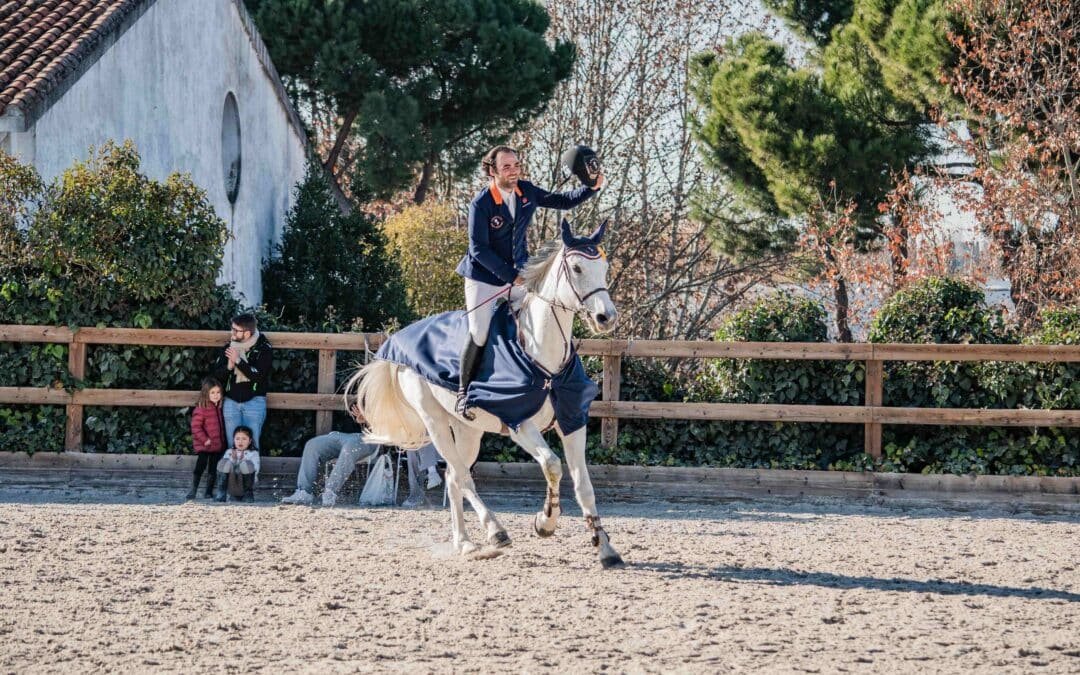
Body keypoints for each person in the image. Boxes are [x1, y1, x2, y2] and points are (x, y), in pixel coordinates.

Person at [453, 145, 604, 419]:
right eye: (507, 167)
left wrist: (591, 188)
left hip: (517, 273)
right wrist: (513, 276)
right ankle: (464, 393)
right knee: (479, 332)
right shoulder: (481, 204)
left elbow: (563, 201)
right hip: (483, 277)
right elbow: (478, 250)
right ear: (492, 171)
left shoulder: (527, 191)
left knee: (538, 316)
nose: (514, 171)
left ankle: (541, 382)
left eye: (516, 165)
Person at [280, 405, 442, 507]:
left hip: (370, 439)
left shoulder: (393, 397)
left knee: (349, 448)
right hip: (345, 434)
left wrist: (368, 419)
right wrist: (357, 414)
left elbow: (391, 427)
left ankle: (330, 491)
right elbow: (352, 405)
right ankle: (304, 492)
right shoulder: (367, 388)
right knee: (312, 445)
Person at [212, 313, 272, 449]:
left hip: (254, 401)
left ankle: (251, 470)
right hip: (231, 401)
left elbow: (258, 376)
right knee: (231, 444)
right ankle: (232, 470)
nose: (231, 332)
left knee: (253, 443)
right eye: (232, 328)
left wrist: (238, 361)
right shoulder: (230, 346)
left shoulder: (264, 349)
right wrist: (229, 367)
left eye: (236, 330)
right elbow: (216, 375)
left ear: (247, 333)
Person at [188, 377, 227, 499]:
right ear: (206, 394)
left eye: (218, 392)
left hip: (216, 445)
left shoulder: (220, 408)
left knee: (213, 469)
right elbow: (195, 427)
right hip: (204, 446)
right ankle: (193, 490)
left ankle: (208, 492)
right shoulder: (201, 409)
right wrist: (205, 439)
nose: (216, 395)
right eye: (212, 393)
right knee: (200, 467)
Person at [214, 426, 260, 502]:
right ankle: (221, 493)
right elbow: (223, 468)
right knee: (224, 462)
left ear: (250, 441)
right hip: (231, 485)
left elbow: (256, 470)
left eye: (244, 439)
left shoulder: (253, 453)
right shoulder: (229, 452)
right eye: (237, 439)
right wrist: (233, 460)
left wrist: (242, 460)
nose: (240, 441)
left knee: (246, 464)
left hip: (245, 486)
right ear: (234, 440)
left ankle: (248, 495)